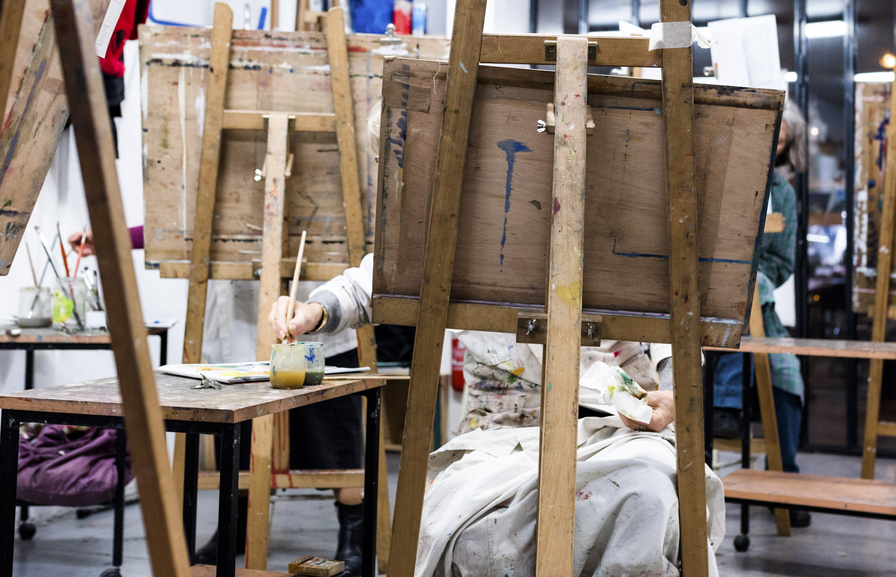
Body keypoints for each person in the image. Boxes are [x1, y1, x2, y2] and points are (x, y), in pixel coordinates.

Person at [271, 260, 728, 577]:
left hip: (617, 428)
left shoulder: (624, 215)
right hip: (498, 435)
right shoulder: (473, 215)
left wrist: (673, 393)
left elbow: (679, 321)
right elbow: (371, 283)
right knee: (458, 529)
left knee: (648, 499)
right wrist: (314, 311)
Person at [69, 229, 368, 571]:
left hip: (310, 302)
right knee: (240, 436)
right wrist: (114, 235)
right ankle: (237, 522)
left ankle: (353, 525)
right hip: (235, 311)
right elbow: (183, 219)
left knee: (331, 430)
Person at [709, 98, 808, 528]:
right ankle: (723, 410)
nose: (773, 144)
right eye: (771, 134)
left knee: (786, 373)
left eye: (781, 141)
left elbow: (782, 262)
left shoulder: (783, 194)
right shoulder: (724, 172)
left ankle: (785, 480)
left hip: (758, 304)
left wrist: (754, 280)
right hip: (708, 299)